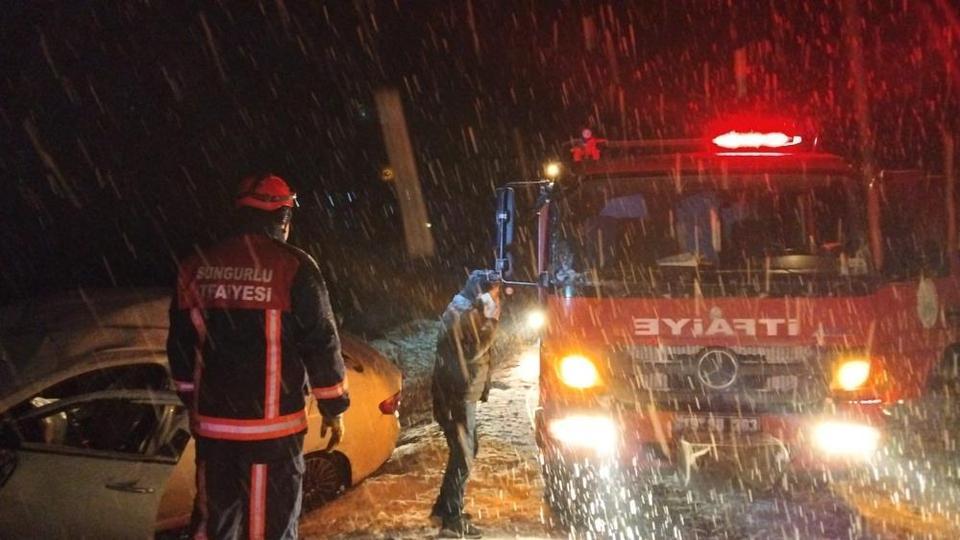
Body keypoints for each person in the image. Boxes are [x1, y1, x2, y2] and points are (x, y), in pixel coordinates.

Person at [167, 174, 349, 540]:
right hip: (272, 433)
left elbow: (181, 347)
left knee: (214, 524)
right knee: (269, 527)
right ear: (284, 218)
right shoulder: (294, 267)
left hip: (213, 430)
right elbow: (320, 341)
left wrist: (191, 398)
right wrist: (334, 407)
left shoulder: (196, 267)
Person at [430, 270, 502, 539]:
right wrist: (492, 320)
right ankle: (452, 520)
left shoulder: (465, 307)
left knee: (467, 451)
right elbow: (474, 351)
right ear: (482, 292)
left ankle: (444, 508)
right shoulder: (466, 314)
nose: (497, 298)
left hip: (458, 393)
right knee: (463, 455)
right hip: (456, 395)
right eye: (495, 292)